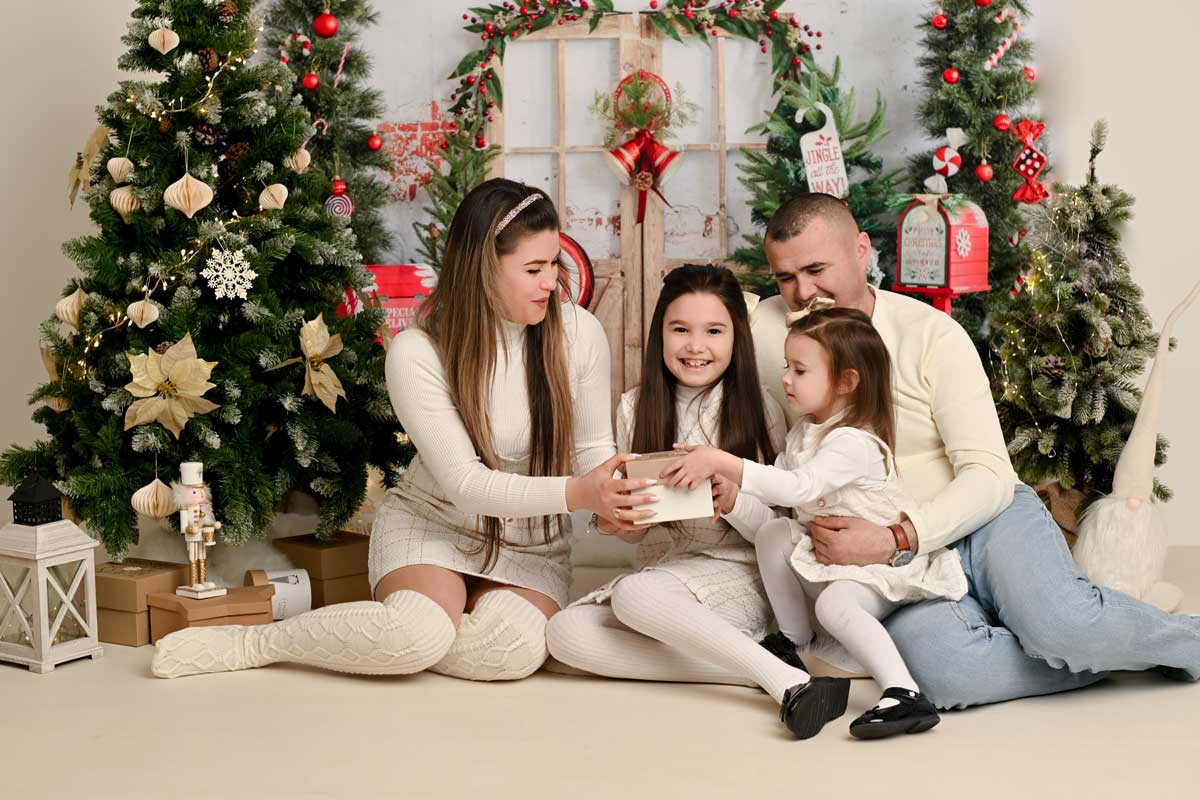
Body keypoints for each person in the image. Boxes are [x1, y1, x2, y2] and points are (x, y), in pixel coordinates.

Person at [152, 179, 654, 680]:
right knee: (418, 637)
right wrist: (581, 492)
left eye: (554, 264)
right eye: (533, 269)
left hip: (531, 544)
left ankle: (425, 629)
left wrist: (611, 499)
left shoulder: (578, 333)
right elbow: (465, 485)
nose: (552, 282)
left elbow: (592, 448)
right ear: (483, 269)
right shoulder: (417, 352)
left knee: (504, 654)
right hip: (434, 525)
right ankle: (253, 642)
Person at [747, 192, 1200, 709]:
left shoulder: (931, 334)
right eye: (785, 277)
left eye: (816, 269)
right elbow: (702, 349)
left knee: (1062, 625)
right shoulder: (768, 331)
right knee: (946, 674)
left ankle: (1146, 637)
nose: (802, 292)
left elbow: (988, 473)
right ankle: (1105, 647)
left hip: (984, 518)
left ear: (861, 250)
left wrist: (897, 536)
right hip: (896, 572)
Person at [547, 264, 858, 740]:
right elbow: (621, 515)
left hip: (740, 575)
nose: (696, 346)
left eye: (714, 331)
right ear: (660, 336)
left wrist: (732, 498)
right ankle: (783, 671)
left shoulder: (760, 409)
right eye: (680, 330)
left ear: (737, 338)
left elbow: (782, 534)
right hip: (668, 578)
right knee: (564, 634)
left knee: (633, 595)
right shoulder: (634, 407)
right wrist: (617, 522)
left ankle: (784, 680)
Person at [666, 305, 962, 738]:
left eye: (800, 370)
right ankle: (792, 640)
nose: (786, 378)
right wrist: (730, 495)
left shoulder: (853, 442)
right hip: (831, 560)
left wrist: (724, 462)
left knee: (835, 604)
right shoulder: (806, 431)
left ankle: (904, 693)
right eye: (787, 366)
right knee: (773, 533)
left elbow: (797, 487)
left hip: (874, 569)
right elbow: (781, 504)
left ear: (846, 382)